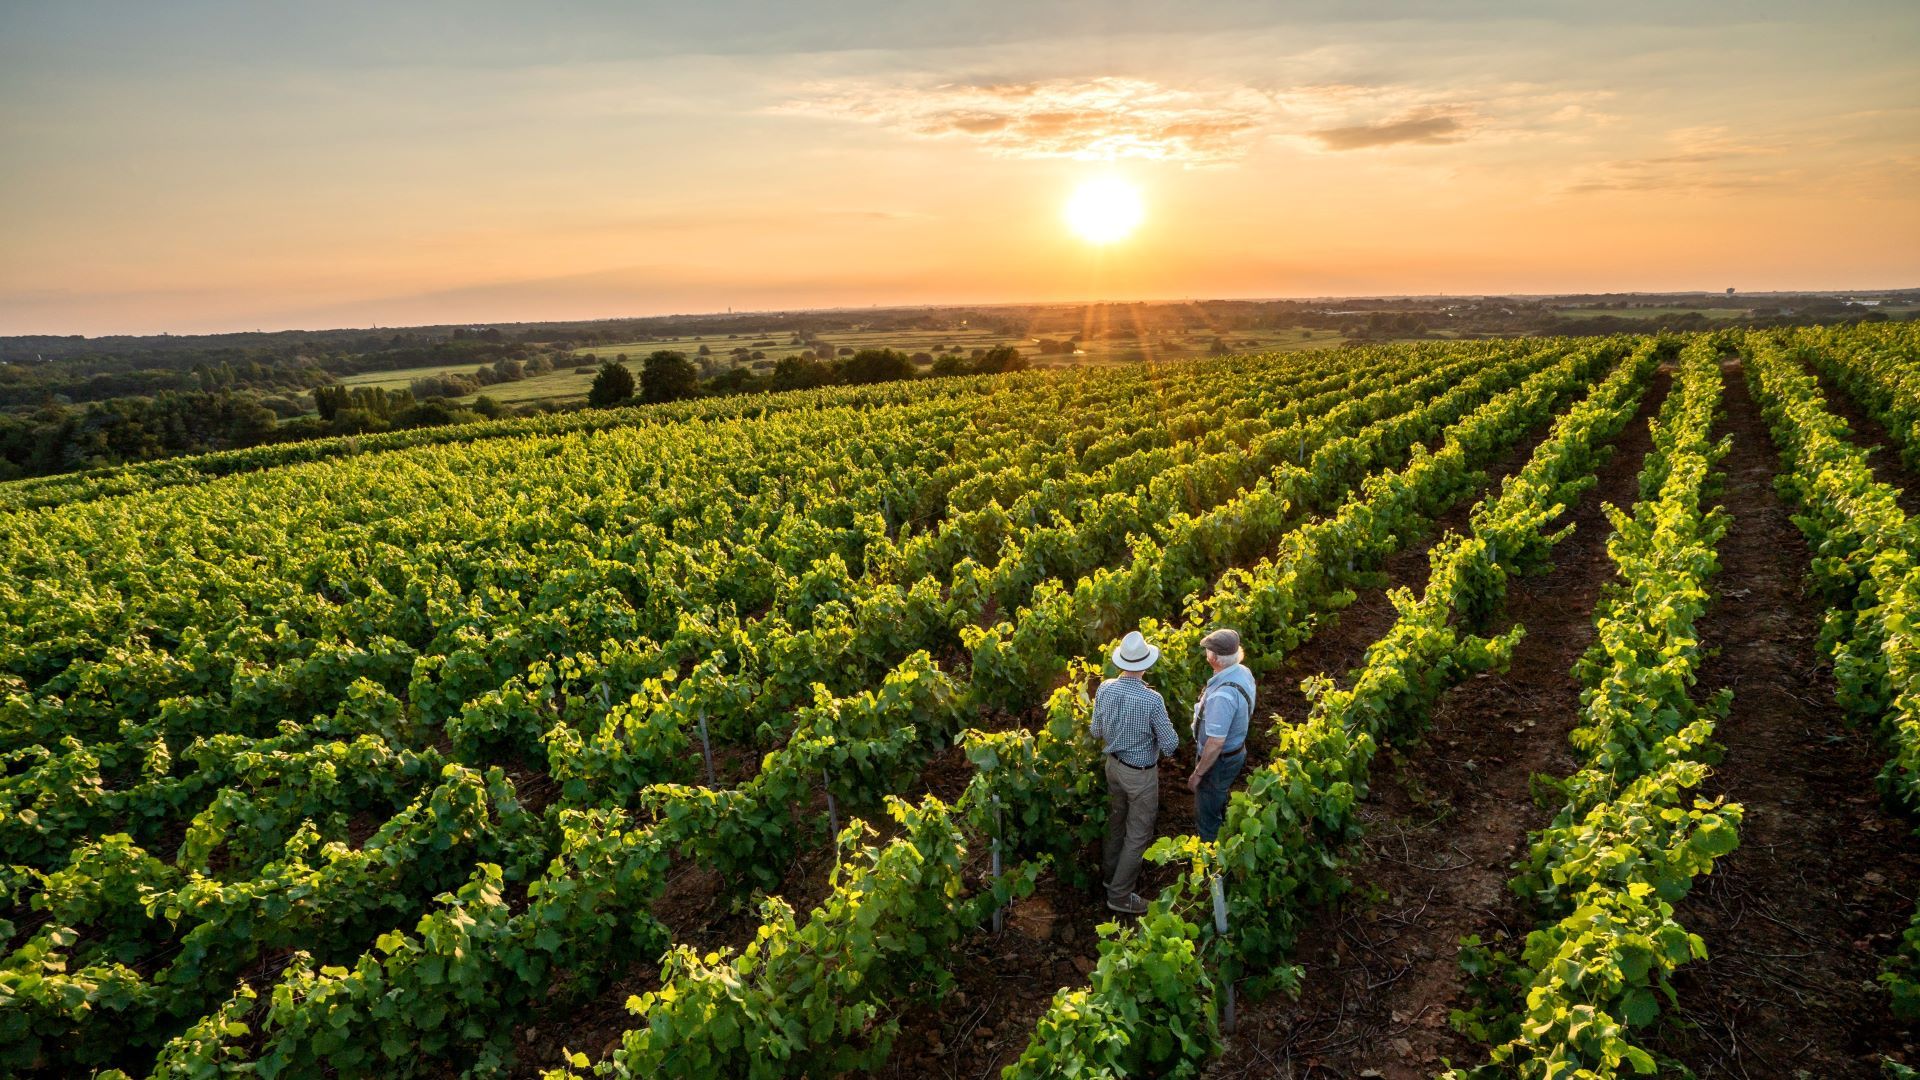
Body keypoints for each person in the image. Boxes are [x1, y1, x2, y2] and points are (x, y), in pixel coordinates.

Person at [1090, 629, 1179, 914]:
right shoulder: (1152, 700)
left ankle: (1109, 876)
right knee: (1138, 833)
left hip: (1113, 767)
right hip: (1139, 774)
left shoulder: (1104, 688)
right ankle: (1119, 895)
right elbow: (1170, 745)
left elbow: (1095, 731)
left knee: (1117, 820)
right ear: (1145, 665)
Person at [1188, 628, 1254, 842]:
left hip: (1219, 761)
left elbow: (1215, 743)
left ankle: (1214, 869)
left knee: (1207, 817)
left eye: (1207, 651)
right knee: (1218, 797)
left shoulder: (1223, 695)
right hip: (1235, 752)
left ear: (1214, 658)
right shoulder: (1242, 671)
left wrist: (1198, 774)